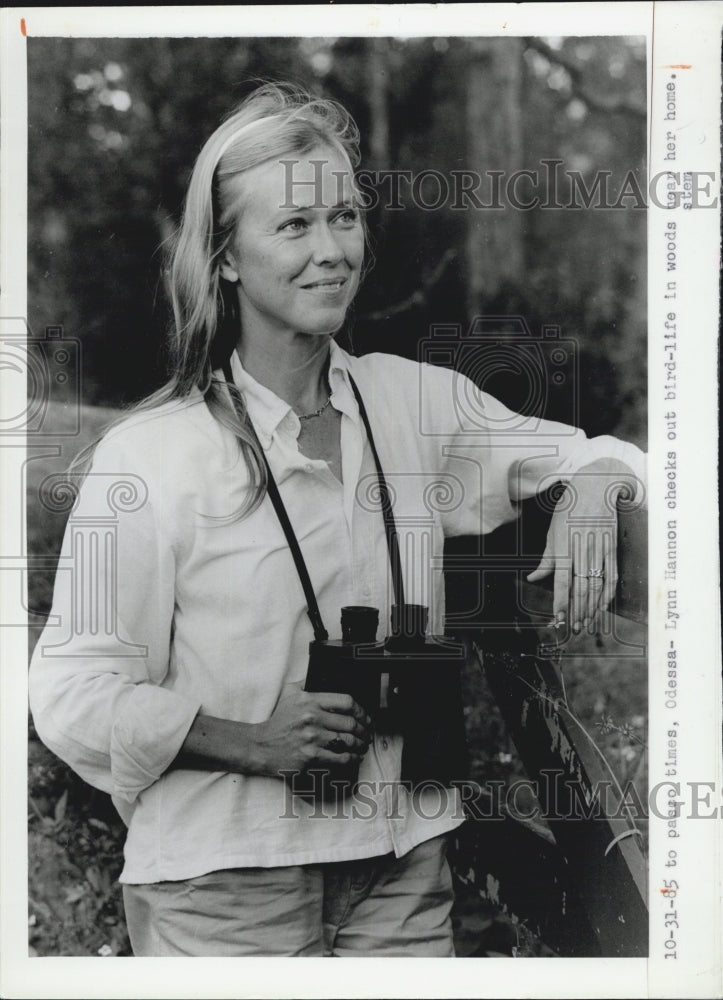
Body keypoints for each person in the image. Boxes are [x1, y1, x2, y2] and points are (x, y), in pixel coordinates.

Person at [29, 82, 646, 957]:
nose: (331, 252)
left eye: (344, 218)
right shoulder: (150, 457)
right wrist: (245, 741)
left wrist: (592, 485)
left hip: (403, 868)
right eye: (292, 226)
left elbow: (602, 452)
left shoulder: (416, 403)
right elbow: (69, 689)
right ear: (228, 257)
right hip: (223, 881)